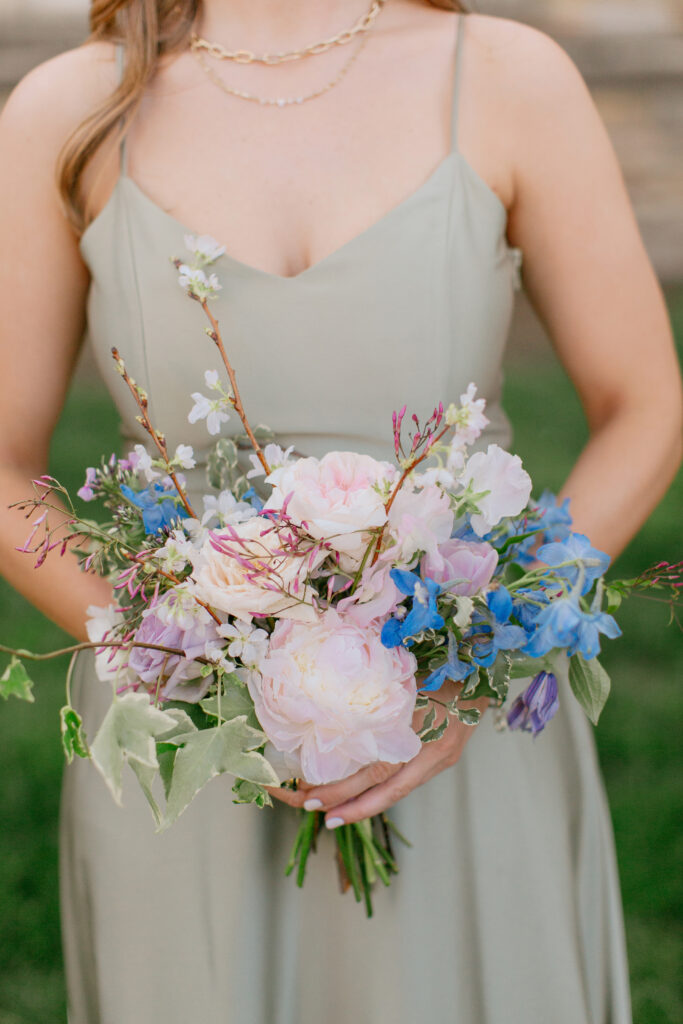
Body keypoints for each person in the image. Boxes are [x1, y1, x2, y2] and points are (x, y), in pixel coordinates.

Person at [0, 1, 680, 1021]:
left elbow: (645, 408)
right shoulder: (72, 106)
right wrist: (181, 661)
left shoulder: (505, 77)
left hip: (461, 729)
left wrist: (479, 657)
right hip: (194, 759)